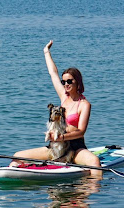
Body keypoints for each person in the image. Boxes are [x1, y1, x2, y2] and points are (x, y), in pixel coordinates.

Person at [11, 40, 101, 177]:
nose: (66, 84)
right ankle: (15, 180)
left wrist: (61, 137)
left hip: (74, 148)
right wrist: (46, 52)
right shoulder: (64, 98)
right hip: (55, 147)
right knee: (17, 156)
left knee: (94, 161)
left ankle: (92, 191)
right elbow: (53, 73)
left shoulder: (84, 105)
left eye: (70, 81)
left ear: (78, 82)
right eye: (64, 82)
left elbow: (81, 132)